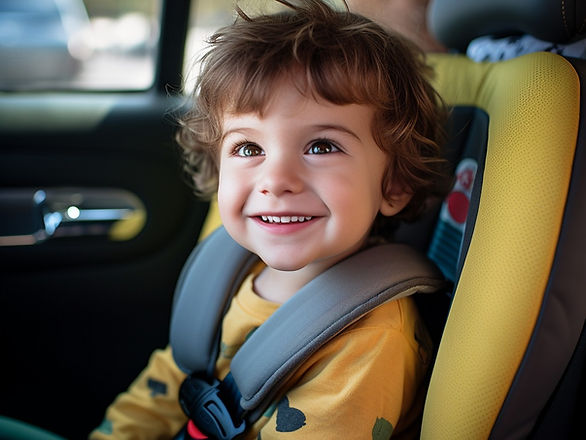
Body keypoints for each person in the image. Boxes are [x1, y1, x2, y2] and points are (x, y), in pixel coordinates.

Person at [90, 0, 450, 438]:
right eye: (248, 148)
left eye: (321, 146)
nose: (276, 180)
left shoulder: (372, 341)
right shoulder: (227, 270)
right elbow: (170, 382)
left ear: (393, 185)